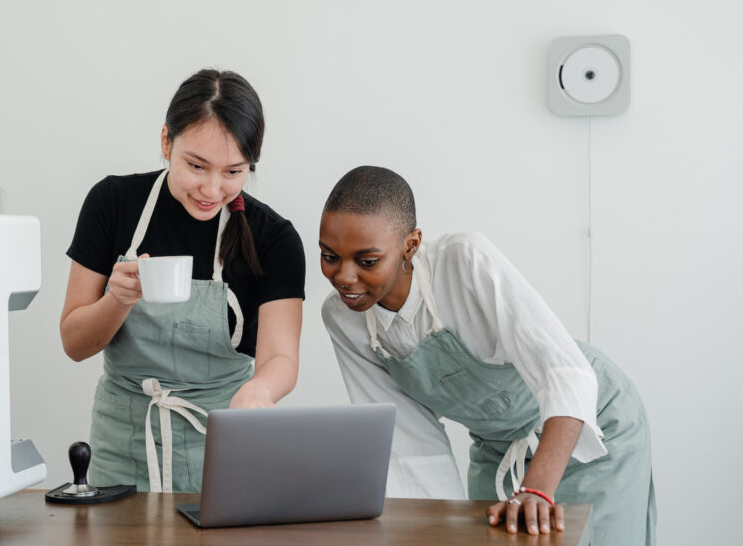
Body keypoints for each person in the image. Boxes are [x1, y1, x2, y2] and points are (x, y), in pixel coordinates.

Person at [318, 166, 655, 544]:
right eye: (329, 256)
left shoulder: (463, 261)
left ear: (411, 245)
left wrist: (537, 489)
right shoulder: (342, 319)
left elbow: (565, 372)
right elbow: (410, 443)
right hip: (497, 449)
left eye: (367, 261)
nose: (344, 277)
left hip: (593, 425)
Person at [60, 69, 305, 494]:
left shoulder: (274, 239)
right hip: (122, 447)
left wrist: (258, 392)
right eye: (196, 166)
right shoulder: (112, 204)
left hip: (222, 443)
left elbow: (280, 358)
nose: (212, 189)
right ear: (165, 142)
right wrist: (116, 301)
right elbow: (74, 344)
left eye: (233, 172)